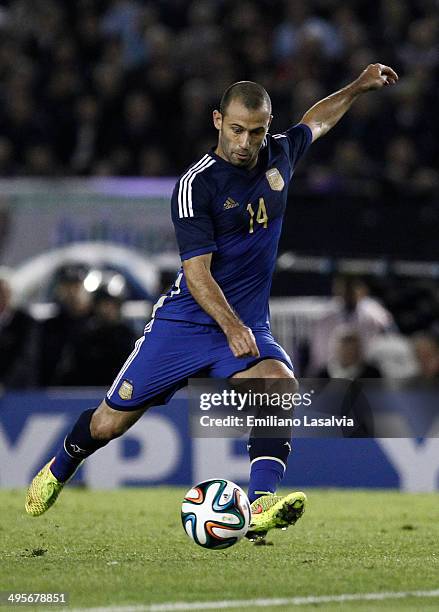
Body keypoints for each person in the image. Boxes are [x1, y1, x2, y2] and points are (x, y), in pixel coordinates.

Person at [26, 63, 398, 540]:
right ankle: (61, 465)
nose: (246, 143)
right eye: (238, 130)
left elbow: (319, 120)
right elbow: (195, 274)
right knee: (106, 425)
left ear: (268, 127)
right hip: (186, 323)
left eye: (257, 132)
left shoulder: (280, 155)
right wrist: (230, 325)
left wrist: (358, 86)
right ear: (217, 120)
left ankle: (260, 503)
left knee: (279, 385)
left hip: (242, 325)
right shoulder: (197, 184)